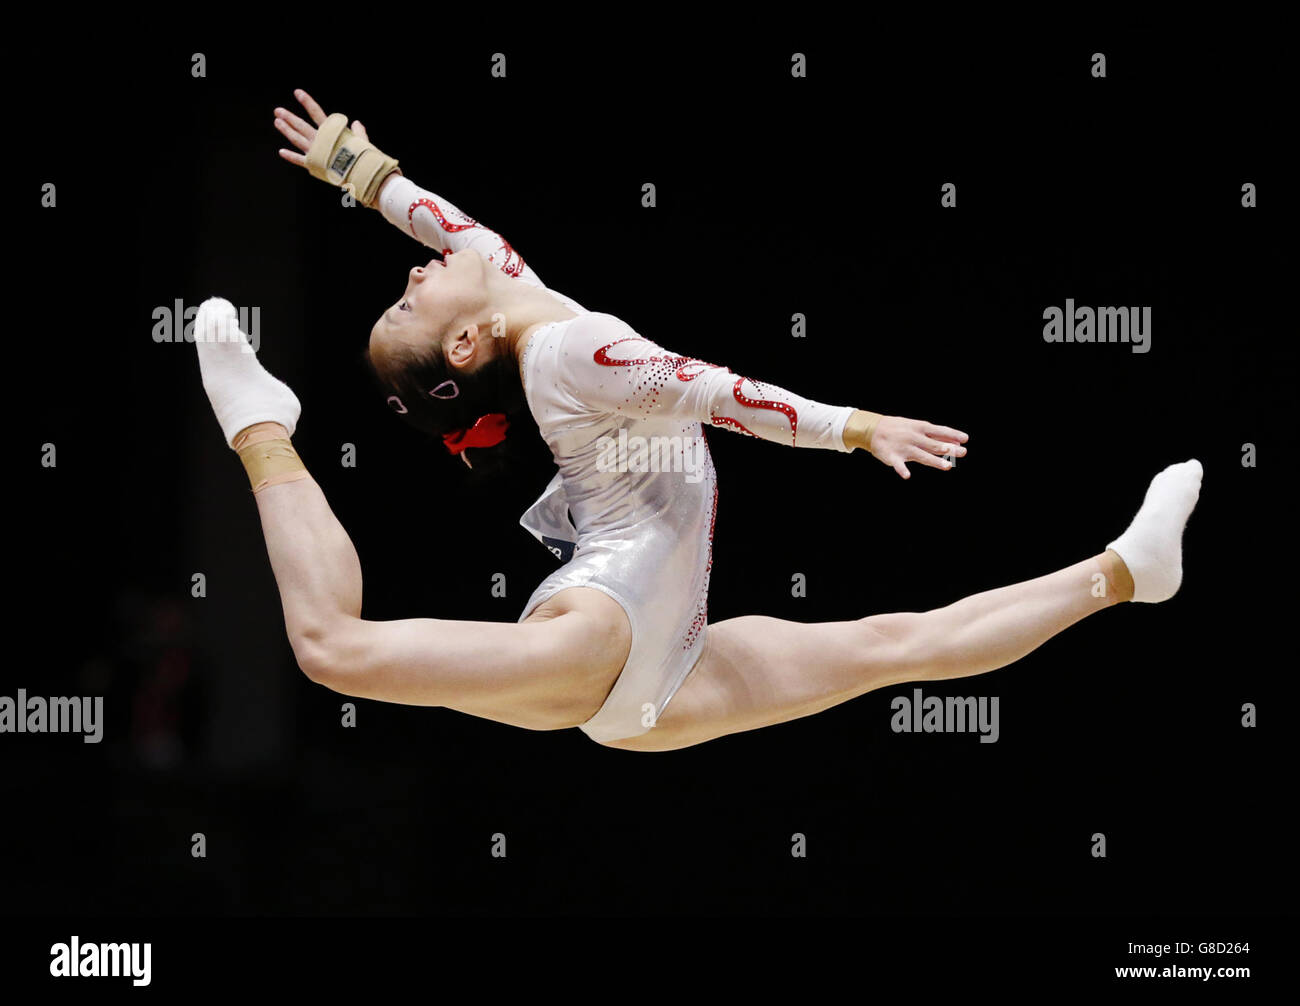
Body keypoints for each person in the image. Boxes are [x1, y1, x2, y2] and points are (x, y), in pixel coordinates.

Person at [190, 88, 1203, 752]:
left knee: (908, 643)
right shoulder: (566, 350)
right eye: (407, 304)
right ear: (465, 347)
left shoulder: (517, 301)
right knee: (331, 648)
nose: (416, 274)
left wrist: (359, 171)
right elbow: (715, 392)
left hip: (664, 679)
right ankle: (260, 422)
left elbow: (436, 220)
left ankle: (1123, 573)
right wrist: (854, 425)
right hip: (602, 633)